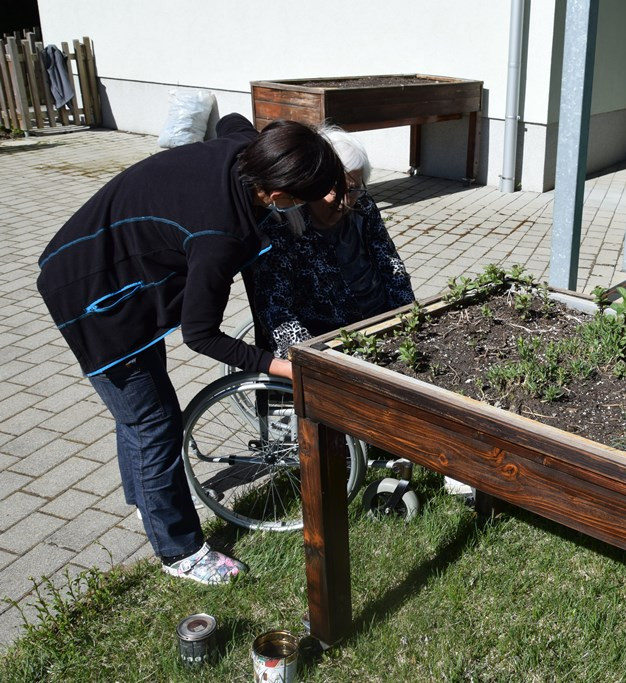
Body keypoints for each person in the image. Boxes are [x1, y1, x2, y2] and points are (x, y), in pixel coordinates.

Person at [36, 114, 343, 585]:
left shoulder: (246, 149)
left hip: (110, 266)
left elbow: (232, 120)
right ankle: (179, 550)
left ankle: (148, 505)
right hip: (92, 295)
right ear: (277, 196)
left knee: (138, 413)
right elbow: (199, 335)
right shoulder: (220, 235)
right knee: (154, 423)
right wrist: (275, 365)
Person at [249, 125, 415, 358]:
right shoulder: (283, 228)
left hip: (379, 321)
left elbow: (390, 263)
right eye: (333, 189)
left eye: (354, 188)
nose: (345, 200)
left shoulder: (363, 205)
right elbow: (275, 309)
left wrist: (407, 318)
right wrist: (314, 358)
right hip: (327, 340)